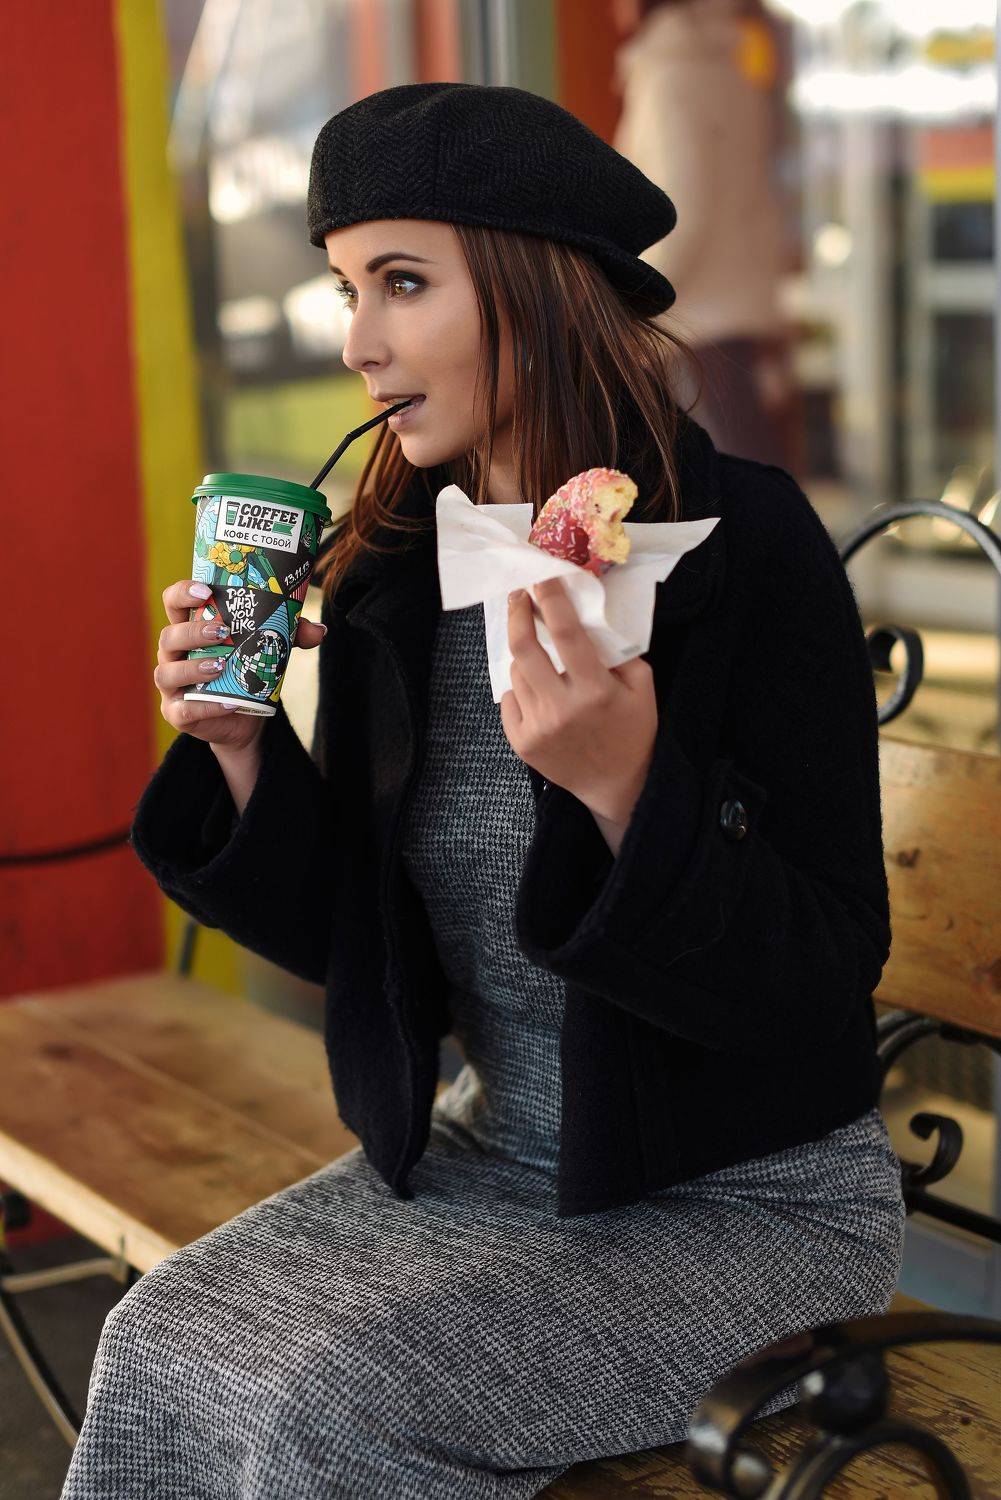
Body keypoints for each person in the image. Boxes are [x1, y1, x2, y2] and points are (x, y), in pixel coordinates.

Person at [61, 83, 904, 1499]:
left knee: (335, 1408)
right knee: (157, 1341)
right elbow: (365, 943)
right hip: (483, 1151)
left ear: (536, 290)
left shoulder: (743, 545)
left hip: (752, 1202)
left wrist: (629, 795)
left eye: (402, 282)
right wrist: (239, 751)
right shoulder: (397, 567)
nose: (357, 341)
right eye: (346, 289)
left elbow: (818, 974)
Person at [611, 0, 804, 472]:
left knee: (719, 495)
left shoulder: (671, 75)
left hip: (692, 325)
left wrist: (623, 298)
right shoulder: (732, 72)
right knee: (754, 489)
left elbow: (677, 213)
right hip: (735, 321)